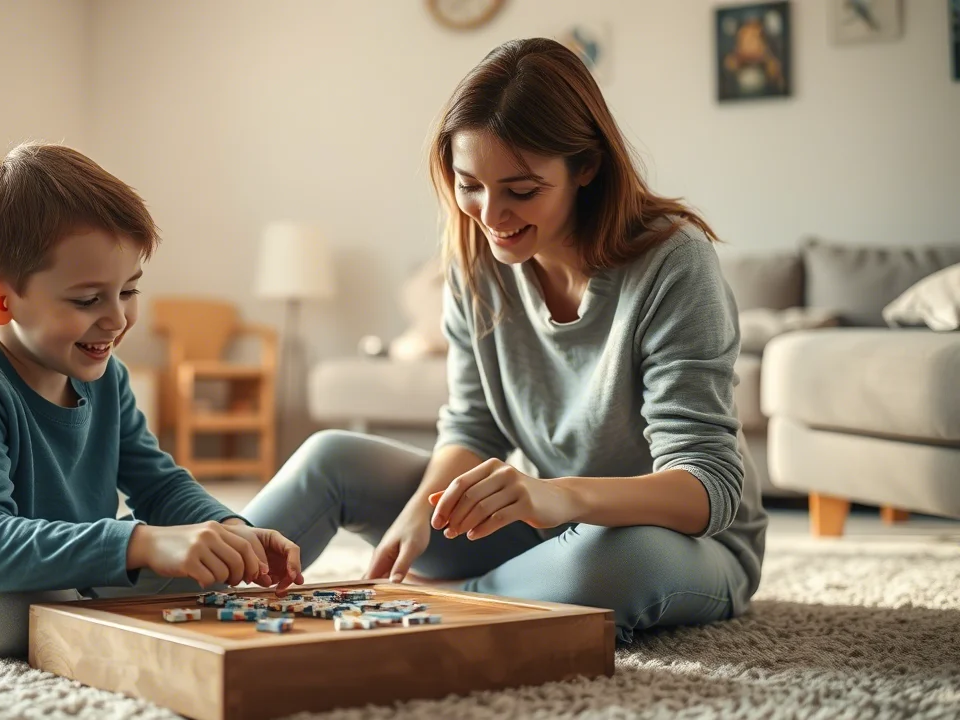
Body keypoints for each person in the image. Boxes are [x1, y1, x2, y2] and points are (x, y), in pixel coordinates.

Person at [242, 38, 767, 642]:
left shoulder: (675, 263)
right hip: (544, 523)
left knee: (599, 562)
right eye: (470, 185)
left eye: (521, 190)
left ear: (586, 168)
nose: (490, 214)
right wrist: (420, 511)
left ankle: (441, 608)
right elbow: (473, 425)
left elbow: (709, 485)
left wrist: (557, 497)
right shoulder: (474, 258)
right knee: (329, 458)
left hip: (684, 542)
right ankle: (187, 590)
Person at [0, 143, 302, 657]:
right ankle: (76, 595)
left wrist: (229, 531)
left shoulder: (106, 376)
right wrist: (143, 544)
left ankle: (84, 592)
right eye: (88, 300)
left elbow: (157, 484)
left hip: (55, 563)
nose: (116, 320)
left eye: (129, 291)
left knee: (204, 570)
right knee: (13, 609)